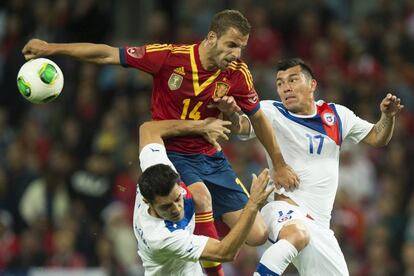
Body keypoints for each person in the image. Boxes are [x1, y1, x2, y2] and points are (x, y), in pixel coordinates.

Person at [22, 9, 299, 275]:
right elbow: (107, 54)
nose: (236, 54)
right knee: (201, 197)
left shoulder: (237, 73)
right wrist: (50, 48)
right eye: (231, 45)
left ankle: (208, 225)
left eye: (241, 47)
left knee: (257, 235)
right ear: (211, 37)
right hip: (170, 152)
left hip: (211, 158)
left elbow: (258, 119)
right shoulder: (169, 58)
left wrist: (279, 163)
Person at [215, 58, 404, 276]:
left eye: (293, 80)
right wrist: (230, 113)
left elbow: (377, 137)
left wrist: (387, 117)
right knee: (297, 233)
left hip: (320, 226)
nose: (286, 87)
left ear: (312, 84)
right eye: (280, 83)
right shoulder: (270, 112)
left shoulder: (336, 116)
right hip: (283, 210)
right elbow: (241, 126)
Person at [136, 117, 273, 275]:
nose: (176, 209)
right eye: (166, 206)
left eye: (177, 198)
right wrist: (253, 204)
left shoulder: (156, 169)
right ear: (147, 202)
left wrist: (201, 126)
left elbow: (147, 129)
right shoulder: (162, 237)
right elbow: (225, 253)